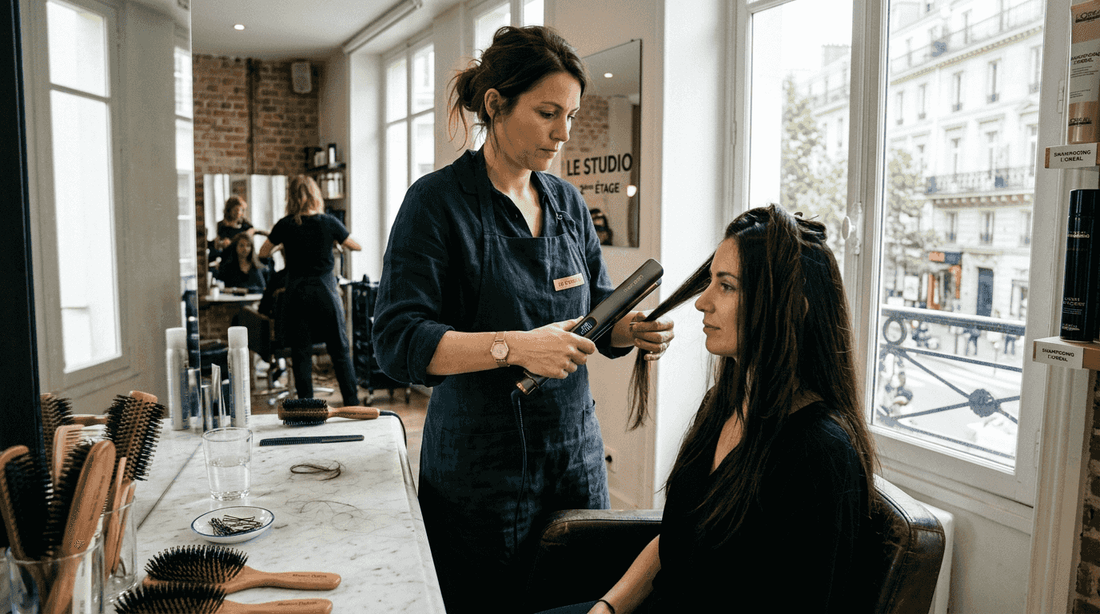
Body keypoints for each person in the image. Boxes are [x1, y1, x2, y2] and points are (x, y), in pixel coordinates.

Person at [371, 25, 675, 613]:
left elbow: (595, 317)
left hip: (573, 459)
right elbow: (396, 340)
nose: (563, 133)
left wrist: (625, 330)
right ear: (495, 104)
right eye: (546, 113)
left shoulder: (567, 204)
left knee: (580, 602)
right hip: (478, 476)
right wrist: (514, 347)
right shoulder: (435, 204)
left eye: (571, 115)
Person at [544, 205, 879, 613]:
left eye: (727, 286)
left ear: (790, 309)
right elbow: (676, 538)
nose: (703, 302)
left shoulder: (819, 455)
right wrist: (608, 608)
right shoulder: (723, 403)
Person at [258, 175, 361, 407]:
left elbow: (263, 253)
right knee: (340, 351)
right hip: (325, 292)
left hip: (297, 295)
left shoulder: (285, 224)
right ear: (315, 195)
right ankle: (353, 405)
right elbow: (356, 245)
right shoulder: (329, 222)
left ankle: (307, 411)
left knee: (301, 354)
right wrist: (334, 242)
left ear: (291, 198)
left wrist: (284, 246)